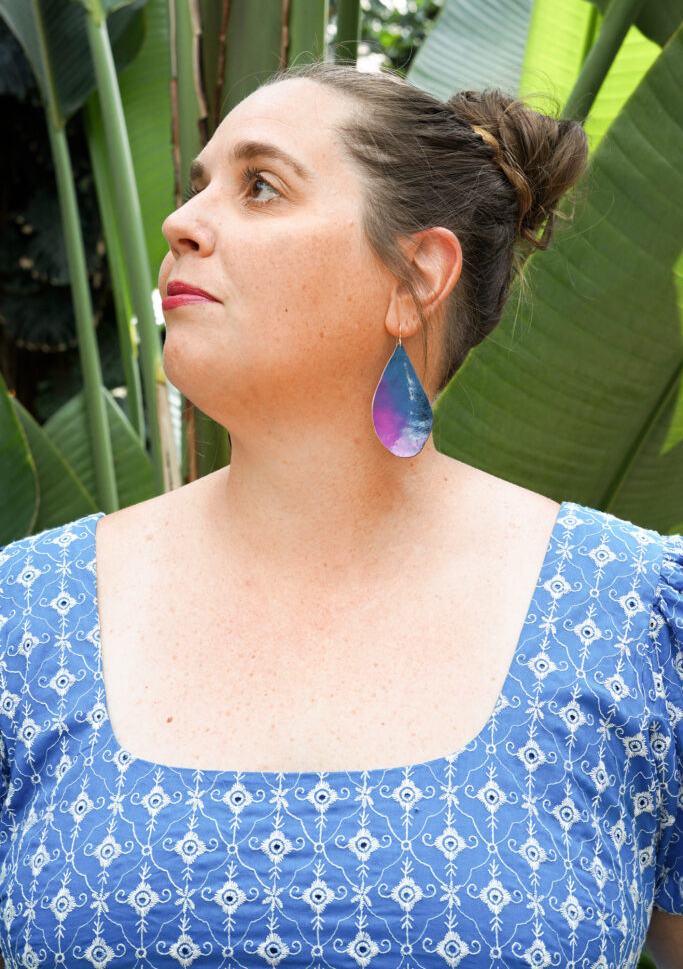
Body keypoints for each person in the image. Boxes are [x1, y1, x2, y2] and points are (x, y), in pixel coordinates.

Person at [0, 61, 681, 968]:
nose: (179, 223)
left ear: (416, 275)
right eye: (197, 186)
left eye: (260, 186)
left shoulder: (638, 616)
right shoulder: (24, 614)